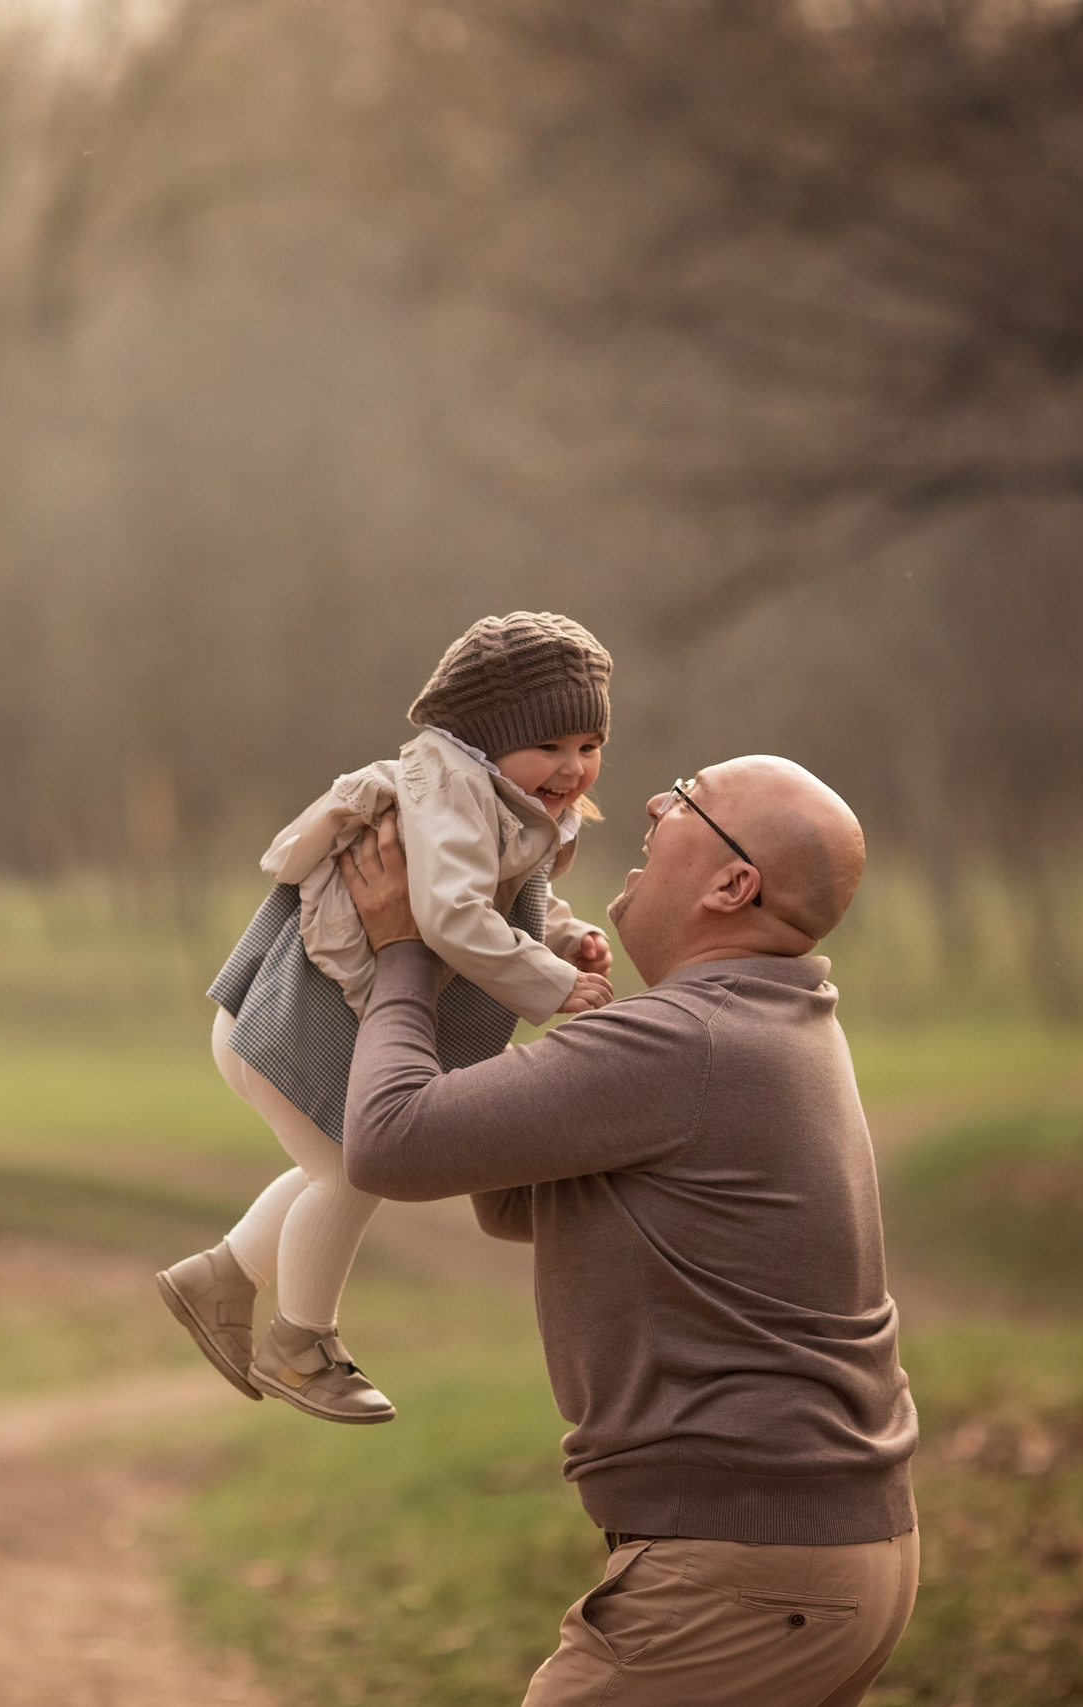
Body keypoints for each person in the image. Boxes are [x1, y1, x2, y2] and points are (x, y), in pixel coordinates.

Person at [337, 756, 920, 1707]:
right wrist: (501, 969)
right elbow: (512, 1195)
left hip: (747, 1572)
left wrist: (403, 949)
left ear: (733, 884)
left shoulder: (687, 1039)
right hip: (824, 1560)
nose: (654, 800)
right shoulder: (769, 1018)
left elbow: (390, 1141)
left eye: (690, 796)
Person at [158, 612, 620, 1424]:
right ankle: (301, 1343)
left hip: (289, 1023)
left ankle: (220, 1277)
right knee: (355, 1171)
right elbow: (449, 913)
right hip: (286, 1025)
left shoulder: (496, 797)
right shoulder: (453, 792)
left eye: (589, 745)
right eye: (549, 744)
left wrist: (561, 936)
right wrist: (551, 983)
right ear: (485, 737)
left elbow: (496, 895)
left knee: (332, 1168)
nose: (572, 766)